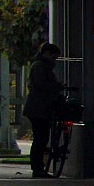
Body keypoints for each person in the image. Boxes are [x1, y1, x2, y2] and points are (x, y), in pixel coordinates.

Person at [23, 41, 65, 178]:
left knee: (40, 138)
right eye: (54, 57)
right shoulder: (41, 67)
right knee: (40, 138)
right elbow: (42, 84)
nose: (55, 60)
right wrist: (57, 86)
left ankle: (39, 167)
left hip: (38, 107)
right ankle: (38, 168)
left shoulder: (40, 65)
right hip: (39, 108)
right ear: (47, 53)